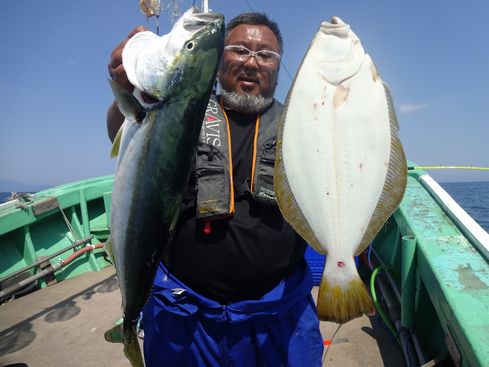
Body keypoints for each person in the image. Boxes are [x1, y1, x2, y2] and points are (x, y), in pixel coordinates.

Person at [107, 12, 323, 367]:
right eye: (239, 50)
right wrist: (124, 90)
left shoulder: (302, 127)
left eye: (265, 55)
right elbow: (126, 126)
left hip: (279, 317)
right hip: (185, 315)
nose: (252, 62)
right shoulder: (180, 111)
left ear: (278, 66)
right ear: (219, 62)